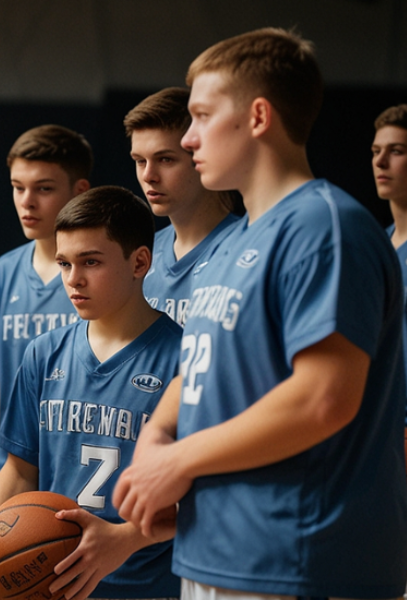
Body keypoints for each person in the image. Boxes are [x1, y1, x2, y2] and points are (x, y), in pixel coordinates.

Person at [113, 28, 407, 600]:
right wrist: (157, 436)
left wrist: (178, 461)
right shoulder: (230, 242)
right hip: (216, 550)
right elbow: (200, 369)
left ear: (258, 116)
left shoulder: (325, 227)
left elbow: (323, 398)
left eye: (201, 115)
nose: (192, 137)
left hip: (300, 560)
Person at [0, 186, 181, 600]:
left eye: (91, 262)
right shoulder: (43, 353)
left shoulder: (184, 358)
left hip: (145, 583)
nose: (72, 279)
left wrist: (126, 537)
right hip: (51, 582)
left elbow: (203, 497)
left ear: (140, 261)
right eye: (63, 263)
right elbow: (19, 467)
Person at [0, 125, 92, 563]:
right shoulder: (4, 274)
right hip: (14, 476)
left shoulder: (100, 275)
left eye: (44, 189)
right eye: (17, 187)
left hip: (82, 474)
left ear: (78, 190)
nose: (27, 202)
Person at [124, 87, 240, 325]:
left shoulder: (249, 249)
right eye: (140, 161)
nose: (148, 175)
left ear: (203, 157)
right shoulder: (139, 259)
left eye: (165, 159)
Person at [371, 104, 407, 470]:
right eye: (375, 151)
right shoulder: (376, 244)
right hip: (377, 424)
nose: (381, 162)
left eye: (396, 151)